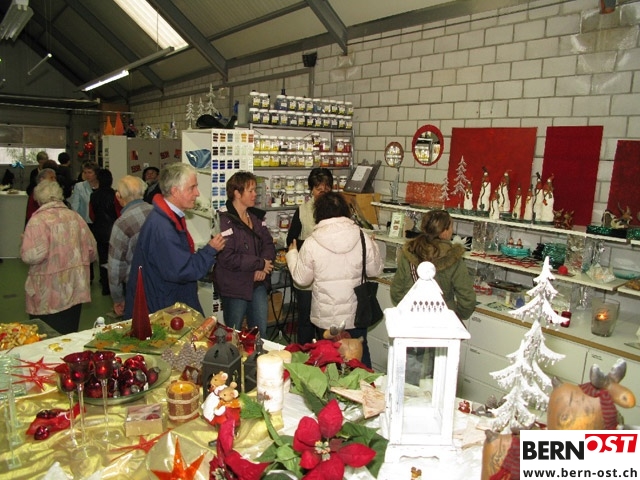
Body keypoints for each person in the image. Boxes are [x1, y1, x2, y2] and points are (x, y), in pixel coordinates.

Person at [286, 191, 383, 368]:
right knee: (359, 354)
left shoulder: (311, 242)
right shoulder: (362, 236)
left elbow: (302, 279)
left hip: (326, 315)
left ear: (318, 213)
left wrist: (292, 254)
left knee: (329, 359)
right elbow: (375, 270)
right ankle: (365, 384)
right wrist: (373, 245)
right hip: (356, 312)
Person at [124, 163, 226, 319]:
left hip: (168, 299)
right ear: (175, 191)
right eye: (192, 188)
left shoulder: (168, 217)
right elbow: (182, 270)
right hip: (165, 307)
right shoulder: (163, 227)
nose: (197, 193)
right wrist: (210, 250)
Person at [21, 180, 97, 334]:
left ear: (39, 200)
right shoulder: (75, 217)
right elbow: (92, 250)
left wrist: (23, 243)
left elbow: (31, 256)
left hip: (48, 292)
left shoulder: (38, 221)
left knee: (46, 337)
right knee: (69, 333)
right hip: (74, 287)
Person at [214, 171, 276, 338]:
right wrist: (259, 263)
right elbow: (227, 257)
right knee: (233, 335)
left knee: (260, 334)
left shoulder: (256, 217)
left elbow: (268, 244)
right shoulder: (223, 220)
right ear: (237, 193)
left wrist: (263, 266)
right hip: (234, 287)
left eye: (255, 190)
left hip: (258, 283)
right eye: (250, 191)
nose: (255, 194)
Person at [390, 209, 475, 319]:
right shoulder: (453, 256)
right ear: (444, 232)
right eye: (450, 227)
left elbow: (396, 291)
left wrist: (407, 310)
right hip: (442, 319)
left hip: (411, 318)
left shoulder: (411, 251)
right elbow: (467, 298)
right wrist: (456, 316)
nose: (452, 231)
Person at [286, 168, 333, 344]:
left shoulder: (337, 210)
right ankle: (305, 354)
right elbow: (291, 241)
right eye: (318, 188)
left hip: (329, 277)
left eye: (326, 188)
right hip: (306, 277)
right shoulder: (303, 211)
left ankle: (325, 354)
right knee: (305, 320)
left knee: (326, 324)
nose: (322, 192)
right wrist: (310, 245)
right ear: (311, 190)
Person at [108, 175, 153, 317]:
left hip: (137, 286)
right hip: (160, 282)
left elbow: (115, 267)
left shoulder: (122, 223)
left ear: (118, 196)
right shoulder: (158, 213)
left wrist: (118, 298)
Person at [90, 169, 119, 296]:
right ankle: (116, 286)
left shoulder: (93, 195)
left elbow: (91, 215)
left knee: (103, 259)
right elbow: (119, 213)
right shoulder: (116, 195)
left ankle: (105, 286)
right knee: (115, 260)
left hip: (100, 231)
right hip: (114, 230)